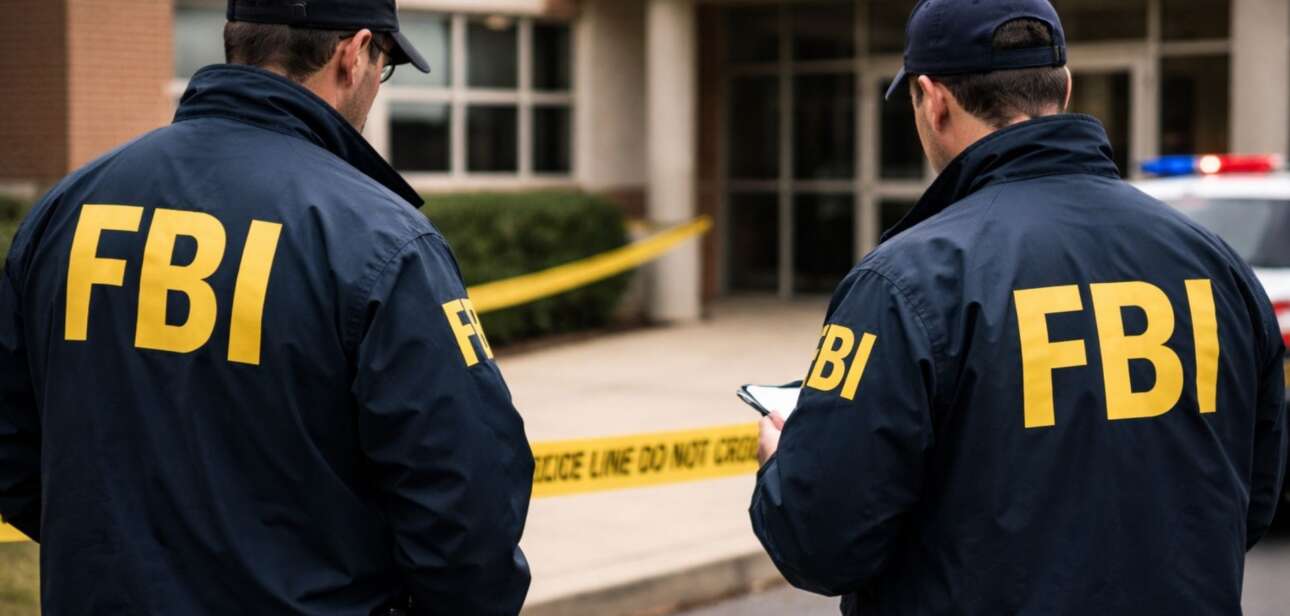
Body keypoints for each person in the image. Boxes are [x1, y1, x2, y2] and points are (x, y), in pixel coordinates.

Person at [750, 0, 1287, 614]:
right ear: (1065, 86)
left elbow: (820, 542)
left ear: (934, 100)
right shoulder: (1214, 262)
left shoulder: (904, 281)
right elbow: (1249, 500)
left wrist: (780, 464)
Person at [0, 1, 533, 614]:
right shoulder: (383, 241)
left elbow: (16, 456)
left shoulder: (67, 209)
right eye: (383, 67)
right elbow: (469, 518)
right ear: (354, 54)